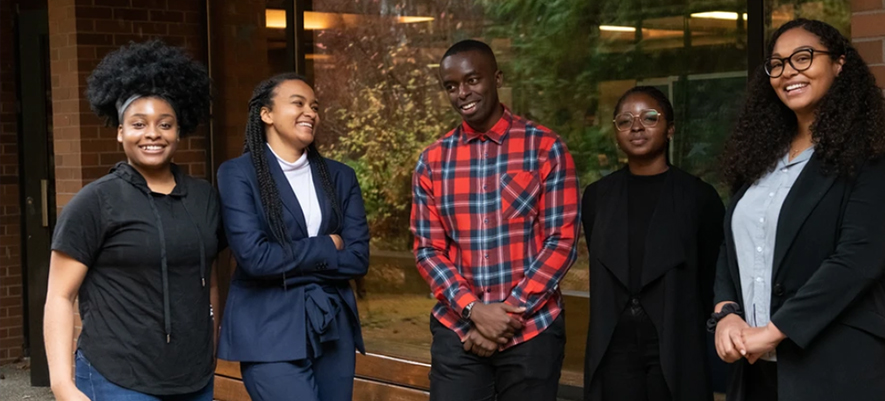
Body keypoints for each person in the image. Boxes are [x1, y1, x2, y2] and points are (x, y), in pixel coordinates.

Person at [711, 18, 885, 401]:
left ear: (839, 63)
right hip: (759, 370)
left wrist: (771, 331)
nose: (789, 72)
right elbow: (732, 243)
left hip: (841, 370)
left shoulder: (874, 157)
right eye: (778, 64)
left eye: (803, 57)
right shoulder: (763, 159)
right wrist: (726, 313)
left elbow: (855, 263)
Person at [44, 40, 219, 401]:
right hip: (117, 378)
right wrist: (62, 384)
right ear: (121, 131)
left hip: (194, 379)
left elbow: (209, 282)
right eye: (138, 124)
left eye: (165, 124)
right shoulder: (95, 202)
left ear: (178, 131)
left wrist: (211, 343)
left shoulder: (204, 198)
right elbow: (59, 296)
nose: (152, 133)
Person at [411, 39, 580, 401]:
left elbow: (561, 241)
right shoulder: (432, 161)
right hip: (457, 334)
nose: (462, 93)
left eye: (472, 80)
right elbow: (427, 249)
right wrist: (474, 310)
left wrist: (504, 317)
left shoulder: (545, 147)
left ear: (497, 78)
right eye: (451, 86)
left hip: (532, 332)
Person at [216, 73, 370, 401]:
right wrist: (328, 244)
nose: (310, 112)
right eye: (298, 103)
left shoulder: (341, 176)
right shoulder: (238, 174)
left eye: (314, 106)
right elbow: (255, 258)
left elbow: (357, 259)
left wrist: (286, 260)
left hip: (332, 327)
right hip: (268, 328)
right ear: (266, 114)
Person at [582, 86, 724, 401]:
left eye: (649, 117)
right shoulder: (597, 197)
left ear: (670, 129)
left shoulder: (699, 198)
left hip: (675, 337)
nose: (636, 127)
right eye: (624, 120)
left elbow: (710, 273)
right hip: (614, 343)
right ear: (616, 132)